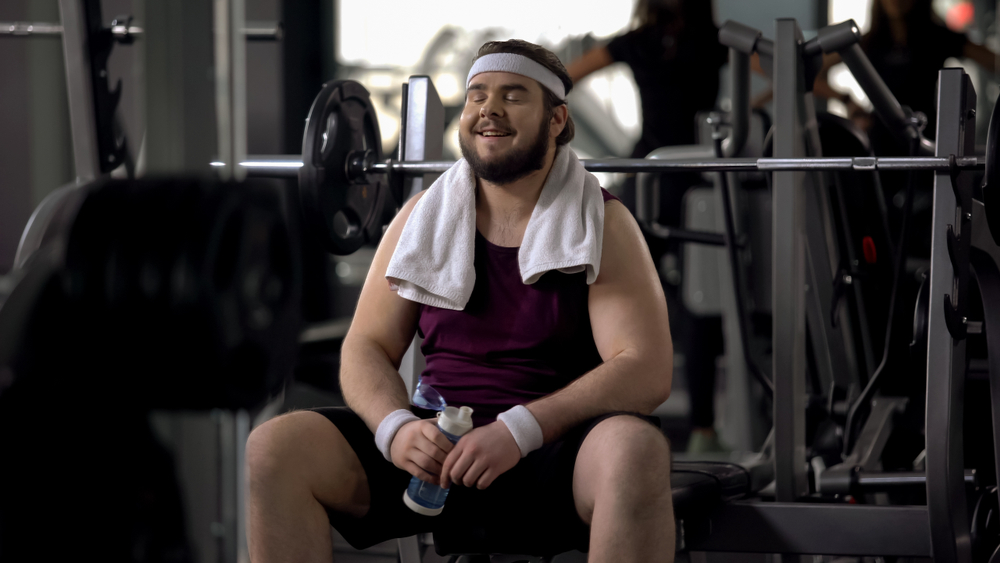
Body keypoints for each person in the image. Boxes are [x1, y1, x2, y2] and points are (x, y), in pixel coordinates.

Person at [247, 39, 676, 562]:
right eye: (477, 96)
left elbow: (645, 370)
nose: (488, 109)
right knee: (275, 449)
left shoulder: (604, 224)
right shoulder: (420, 218)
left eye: (514, 95)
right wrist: (396, 428)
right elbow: (366, 347)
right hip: (434, 447)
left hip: (553, 450)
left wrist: (519, 429)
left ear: (558, 119)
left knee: (636, 451)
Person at [566, 0, 728, 453]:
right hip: (658, 179)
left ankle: (703, 429)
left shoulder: (711, 41)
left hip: (689, 182)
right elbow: (560, 79)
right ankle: (612, 420)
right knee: (622, 296)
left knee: (702, 303)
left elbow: (788, 73)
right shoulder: (637, 42)